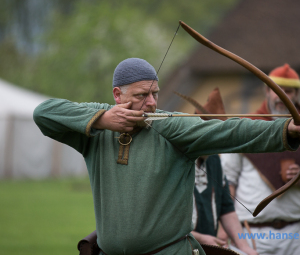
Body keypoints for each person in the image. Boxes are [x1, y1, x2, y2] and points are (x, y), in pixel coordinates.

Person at [33, 58, 300, 255]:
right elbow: (44, 113)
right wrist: (102, 119)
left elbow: (230, 129)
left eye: (155, 94)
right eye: (141, 95)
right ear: (117, 95)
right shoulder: (96, 128)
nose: (151, 102)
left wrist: (285, 129)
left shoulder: (172, 125)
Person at [221, 64, 300, 255]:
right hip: (250, 233)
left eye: (288, 91)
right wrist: (224, 229)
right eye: (276, 90)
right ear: (267, 91)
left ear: (297, 94)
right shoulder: (246, 127)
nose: (282, 97)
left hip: (295, 233)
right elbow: (227, 182)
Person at [176, 89, 257, 255]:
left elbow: (227, 208)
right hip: (179, 248)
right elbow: (165, 221)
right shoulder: (175, 160)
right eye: (217, 134)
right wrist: (200, 238)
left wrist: (244, 247)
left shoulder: (214, 160)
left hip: (207, 249)